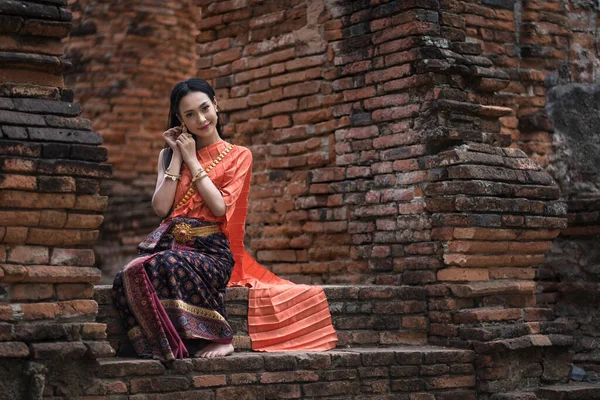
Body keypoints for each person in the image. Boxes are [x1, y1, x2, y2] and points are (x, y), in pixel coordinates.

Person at [111, 78, 337, 363]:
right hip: (170, 245)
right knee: (128, 274)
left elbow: (219, 207)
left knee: (167, 264)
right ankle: (163, 342)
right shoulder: (168, 155)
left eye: (205, 108)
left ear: (216, 104)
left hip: (211, 251)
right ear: (180, 118)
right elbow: (161, 207)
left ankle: (221, 336)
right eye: (190, 114)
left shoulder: (239, 155)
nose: (201, 119)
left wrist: (192, 160)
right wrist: (178, 157)